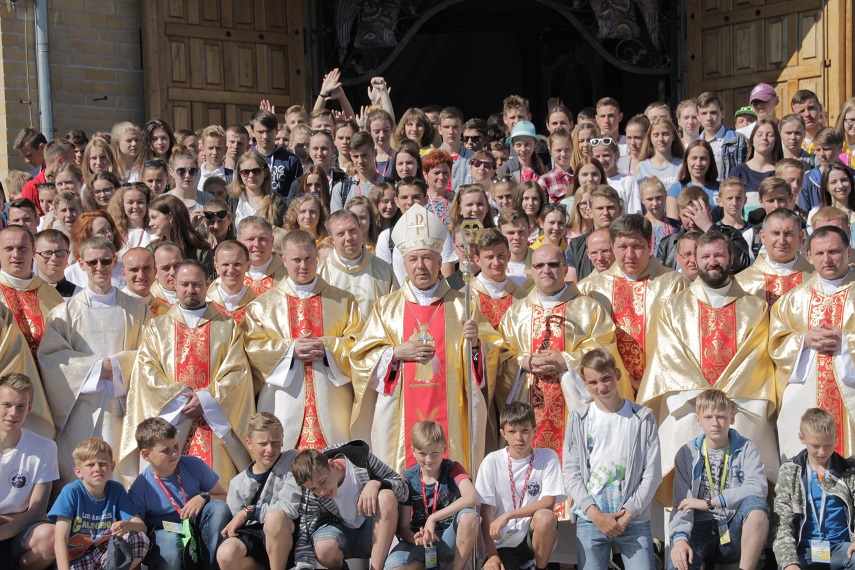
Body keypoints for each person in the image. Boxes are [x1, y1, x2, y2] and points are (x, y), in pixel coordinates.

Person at [351, 204, 500, 474]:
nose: (421, 266)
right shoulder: (387, 307)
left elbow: (491, 356)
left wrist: (477, 346)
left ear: (439, 260)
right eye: (413, 259)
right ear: (404, 263)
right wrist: (394, 353)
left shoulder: (463, 304)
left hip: (451, 408)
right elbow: (361, 357)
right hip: (401, 410)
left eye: (428, 258)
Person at [638, 232, 779, 503]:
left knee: (749, 445)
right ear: (695, 261)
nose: (712, 262)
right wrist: (702, 401)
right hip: (688, 401)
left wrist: (723, 404)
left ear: (732, 258)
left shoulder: (755, 307)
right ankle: (681, 538)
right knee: (681, 442)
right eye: (705, 256)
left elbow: (755, 358)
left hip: (740, 403)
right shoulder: (673, 306)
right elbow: (669, 355)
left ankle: (743, 532)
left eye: (718, 255)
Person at [496, 242, 629, 510]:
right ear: (531, 270)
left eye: (554, 265)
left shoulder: (588, 309)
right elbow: (499, 356)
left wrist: (566, 360)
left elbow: (604, 349)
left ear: (565, 269)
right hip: (529, 407)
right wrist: (524, 362)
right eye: (540, 265)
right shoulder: (516, 313)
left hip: (572, 409)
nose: (547, 270)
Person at [121, 259, 254, 483]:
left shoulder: (228, 326)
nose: (190, 290)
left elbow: (237, 372)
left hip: (213, 422)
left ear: (208, 283)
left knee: (217, 490)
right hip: (173, 419)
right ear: (175, 285)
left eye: (196, 284)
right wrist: (181, 400)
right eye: (184, 284)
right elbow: (147, 372)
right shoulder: (157, 327)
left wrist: (206, 399)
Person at [38, 236, 150, 486]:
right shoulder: (63, 313)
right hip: (82, 409)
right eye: (93, 262)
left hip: (123, 403)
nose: (99, 267)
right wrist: (98, 368)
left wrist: (119, 366)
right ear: (81, 264)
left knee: (122, 470)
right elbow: (52, 358)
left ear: (115, 262)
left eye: (105, 261)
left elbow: (151, 353)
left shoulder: (137, 309)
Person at [244, 230, 362, 451]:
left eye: (308, 259)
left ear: (317, 258)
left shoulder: (343, 300)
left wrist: (326, 347)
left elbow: (358, 344)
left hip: (333, 402)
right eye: (296, 260)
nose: (303, 266)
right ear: (283, 260)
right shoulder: (262, 306)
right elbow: (252, 347)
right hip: (283, 401)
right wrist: (290, 350)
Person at [565, 349, 660, 570]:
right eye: (593, 382)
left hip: (633, 520)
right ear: (585, 384)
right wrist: (595, 515)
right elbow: (572, 472)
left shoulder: (642, 417)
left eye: (606, 378)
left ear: (617, 374)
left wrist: (628, 514)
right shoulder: (579, 419)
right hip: (591, 520)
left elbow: (652, 472)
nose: (601, 387)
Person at [771, 225, 855, 460]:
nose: (827, 259)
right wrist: (804, 339)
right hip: (808, 394)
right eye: (819, 254)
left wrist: (846, 340)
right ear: (808, 256)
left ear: (849, 251)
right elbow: (776, 343)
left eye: (834, 252)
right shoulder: (793, 300)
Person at [582, 215, 687, 391]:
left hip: (661, 381)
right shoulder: (592, 288)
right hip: (611, 385)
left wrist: (652, 375)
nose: (630, 255)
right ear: (613, 247)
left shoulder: (673, 282)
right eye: (622, 247)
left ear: (650, 245)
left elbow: (680, 337)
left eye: (637, 246)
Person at [669, 389, 770, 570]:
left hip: (733, 525)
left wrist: (712, 502)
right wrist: (680, 539)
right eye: (708, 417)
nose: (715, 423)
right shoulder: (686, 453)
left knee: (757, 508)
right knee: (679, 561)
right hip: (698, 527)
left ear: (731, 417)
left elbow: (758, 487)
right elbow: (681, 502)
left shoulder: (746, 448)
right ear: (698, 420)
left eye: (721, 416)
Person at [128, 417, 231, 570]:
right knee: (169, 544)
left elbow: (224, 497)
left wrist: (204, 497)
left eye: (176, 446)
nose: (175, 453)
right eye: (165, 450)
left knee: (218, 508)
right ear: (146, 455)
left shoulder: (194, 465)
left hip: (197, 527)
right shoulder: (140, 487)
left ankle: (211, 566)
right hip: (165, 535)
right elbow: (137, 529)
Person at [290, 441, 408, 570]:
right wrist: (304, 566)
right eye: (314, 489)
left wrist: (377, 483)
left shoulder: (361, 459)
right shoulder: (311, 490)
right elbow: (305, 530)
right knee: (324, 548)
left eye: (323, 481)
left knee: (386, 496)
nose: (321, 491)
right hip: (342, 536)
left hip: (374, 532)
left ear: (331, 465)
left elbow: (404, 488)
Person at [476, 402, 565, 570]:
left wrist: (508, 515)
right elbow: (486, 512)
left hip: (533, 537)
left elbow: (549, 502)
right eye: (512, 431)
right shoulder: (491, 461)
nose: (519, 437)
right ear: (503, 433)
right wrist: (493, 555)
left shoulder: (547, 456)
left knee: (545, 517)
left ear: (534, 429)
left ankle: (540, 567)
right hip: (503, 542)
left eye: (525, 430)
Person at [386, 421, 478, 570]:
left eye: (434, 453)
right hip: (420, 542)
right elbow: (403, 526)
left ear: (444, 449)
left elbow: (472, 497)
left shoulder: (453, 468)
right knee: (394, 566)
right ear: (413, 451)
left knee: (469, 516)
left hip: (448, 540)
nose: (429, 460)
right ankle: (424, 564)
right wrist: (416, 538)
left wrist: (433, 518)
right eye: (422, 453)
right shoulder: (407, 478)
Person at [773, 408, 855, 570]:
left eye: (828, 445)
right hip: (804, 552)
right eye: (815, 445)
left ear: (836, 439)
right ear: (801, 438)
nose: (822, 452)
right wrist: (789, 562)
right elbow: (782, 522)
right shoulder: (791, 471)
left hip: (843, 550)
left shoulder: (848, 470)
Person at [216, 413, 300, 570]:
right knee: (226, 554)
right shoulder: (237, 483)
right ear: (249, 443)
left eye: (275, 443)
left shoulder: (293, 460)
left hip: (286, 535)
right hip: (253, 539)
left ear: (282, 440)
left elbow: (290, 509)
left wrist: (250, 512)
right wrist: (246, 514)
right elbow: (238, 527)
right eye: (263, 444)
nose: (270, 450)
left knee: (275, 517)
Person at [49, 438, 148, 570]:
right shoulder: (71, 492)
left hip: (104, 556)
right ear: (78, 472)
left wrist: (126, 525)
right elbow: (60, 540)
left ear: (112, 467)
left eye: (102, 464)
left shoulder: (116, 489)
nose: (97, 469)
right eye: (90, 465)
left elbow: (142, 527)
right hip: (76, 560)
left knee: (139, 538)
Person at [0, 372, 58, 570]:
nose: (13, 413)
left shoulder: (45, 447)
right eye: (6, 405)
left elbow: (37, 510)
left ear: (29, 408)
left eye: (20, 406)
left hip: (21, 532)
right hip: (13, 519)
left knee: (51, 536)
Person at [375, 178, 457, 284]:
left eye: (416, 197)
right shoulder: (387, 237)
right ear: (397, 201)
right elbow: (384, 280)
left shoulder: (440, 233)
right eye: (404, 197)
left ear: (426, 199)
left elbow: (448, 279)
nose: (410, 202)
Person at [0, 226, 64, 360]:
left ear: (34, 251)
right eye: (9, 248)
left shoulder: (52, 296)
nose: (16, 255)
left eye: (22, 248)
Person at [318, 210, 393, 320]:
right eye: (341, 234)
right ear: (332, 240)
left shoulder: (383, 270)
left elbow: (394, 311)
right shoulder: (321, 273)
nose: (348, 238)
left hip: (377, 336)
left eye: (353, 230)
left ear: (361, 230)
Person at [657, 185, 751, 273]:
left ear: (709, 209)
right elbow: (661, 279)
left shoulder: (730, 234)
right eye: (686, 215)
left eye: (696, 214)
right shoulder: (668, 244)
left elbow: (742, 264)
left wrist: (710, 228)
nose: (692, 221)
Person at [735, 208, 815, 306]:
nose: (782, 241)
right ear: (763, 237)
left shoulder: (815, 278)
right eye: (776, 233)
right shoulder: (742, 282)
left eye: (788, 234)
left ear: (800, 237)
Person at [148, 194, 214, 276]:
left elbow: (207, 282)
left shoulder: (200, 250)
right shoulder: (151, 250)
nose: (150, 223)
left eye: (154, 217)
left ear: (171, 216)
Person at [569, 185, 622, 280]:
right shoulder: (576, 246)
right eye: (600, 208)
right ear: (590, 212)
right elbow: (572, 288)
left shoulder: (631, 243)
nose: (605, 213)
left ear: (620, 210)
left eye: (610, 207)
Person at [64, 210, 126, 289]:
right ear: (86, 236)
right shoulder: (71, 273)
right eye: (102, 231)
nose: (109, 234)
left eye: (110, 229)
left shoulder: (122, 268)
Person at [697, 91, 749, 181]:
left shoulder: (739, 140)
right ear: (697, 116)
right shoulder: (694, 145)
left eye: (713, 112)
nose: (709, 118)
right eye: (704, 113)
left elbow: (749, 173)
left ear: (722, 113)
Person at [249, 109, 302, 197]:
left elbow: (298, 193)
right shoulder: (246, 160)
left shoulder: (291, 160)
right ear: (253, 132)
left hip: (283, 209)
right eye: (260, 132)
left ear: (276, 130)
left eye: (269, 131)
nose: (265, 136)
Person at [229, 150, 287, 228]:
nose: (251, 175)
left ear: (265, 172)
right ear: (240, 175)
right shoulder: (232, 200)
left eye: (256, 171)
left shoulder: (277, 202)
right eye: (245, 172)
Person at [666, 139, 720, 219]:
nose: (698, 163)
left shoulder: (720, 188)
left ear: (710, 161)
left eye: (703, 158)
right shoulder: (676, 189)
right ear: (686, 160)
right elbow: (674, 225)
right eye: (694, 158)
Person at [330, 132, 384, 213]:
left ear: (375, 153)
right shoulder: (341, 189)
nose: (360, 161)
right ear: (350, 156)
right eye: (355, 156)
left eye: (364, 155)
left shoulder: (390, 185)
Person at [206, 240, 256, 325]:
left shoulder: (257, 305)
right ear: (216, 266)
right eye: (225, 264)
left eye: (237, 264)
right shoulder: (205, 302)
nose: (231, 270)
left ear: (248, 266)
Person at [729, 118, 782, 198]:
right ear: (752, 140)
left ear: (776, 140)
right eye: (759, 135)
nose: (764, 138)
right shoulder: (738, 172)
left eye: (770, 135)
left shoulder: (781, 173)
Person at [237, 216, 287, 295]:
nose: (257, 244)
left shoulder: (288, 275)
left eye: (262, 239)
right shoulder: (231, 275)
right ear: (239, 243)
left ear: (272, 240)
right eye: (250, 239)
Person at [591, 136, 642, 214]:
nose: (601, 160)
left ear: (616, 155)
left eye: (606, 155)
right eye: (597, 156)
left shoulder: (628, 181)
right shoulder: (591, 181)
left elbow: (634, 214)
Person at [799, 127, 846, 212]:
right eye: (818, 150)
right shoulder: (809, 178)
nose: (822, 154)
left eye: (826, 149)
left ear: (840, 148)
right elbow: (804, 212)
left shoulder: (851, 176)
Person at [807, 161, 855, 243]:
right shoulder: (816, 213)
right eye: (833, 182)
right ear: (826, 187)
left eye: (844, 180)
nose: (840, 186)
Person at [108, 182, 155, 257]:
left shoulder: (155, 232)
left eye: (140, 202)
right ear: (122, 205)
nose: (135, 206)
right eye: (130, 202)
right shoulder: (115, 233)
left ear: (147, 204)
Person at [715, 177, 756, 262]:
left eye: (738, 198)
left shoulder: (754, 231)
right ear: (720, 201)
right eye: (729, 198)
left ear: (745, 200)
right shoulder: (714, 231)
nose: (734, 203)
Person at [636, 117, 684, 188]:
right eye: (656, 135)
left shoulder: (682, 165)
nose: (660, 139)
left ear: (673, 136)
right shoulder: (641, 167)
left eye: (665, 134)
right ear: (650, 138)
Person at [121, 247, 168, 316]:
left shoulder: (165, 311)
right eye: (134, 270)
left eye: (146, 269)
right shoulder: (115, 307)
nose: (141, 276)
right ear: (124, 274)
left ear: (155, 272)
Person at [640, 176, 681, 255]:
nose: (655, 203)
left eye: (658, 198)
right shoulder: (638, 226)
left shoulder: (676, 226)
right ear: (642, 200)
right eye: (649, 199)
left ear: (665, 195)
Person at [33, 229, 76, 297]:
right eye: (47, 253)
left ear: (68, 255)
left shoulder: (80, 296)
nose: (54, 258)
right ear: (34, 255)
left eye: (60, 252)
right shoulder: (24, 294)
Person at [538, 129, 574, 203]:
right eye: (558, 150)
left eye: (567, 149)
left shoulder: (579, 176)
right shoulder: (545, 180)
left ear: (572, 149)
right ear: (550, 151)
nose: (563, 154)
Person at [198, 125, 235, 191]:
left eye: (218, 148)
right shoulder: (195, 177)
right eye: (210, 148)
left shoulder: (234, 176)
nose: (214, 152)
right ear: (203, 149)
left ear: (225, 149)